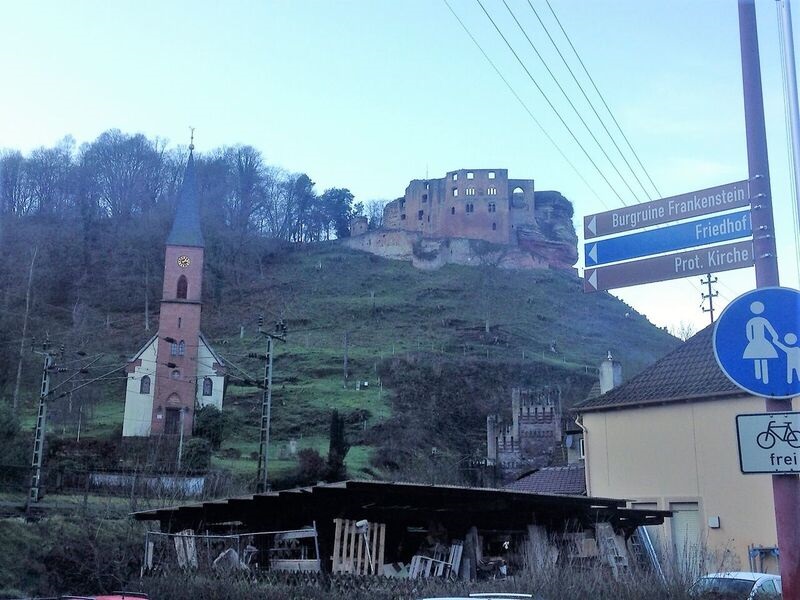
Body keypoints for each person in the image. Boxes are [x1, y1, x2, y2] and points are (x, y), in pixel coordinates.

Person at [743, 301, 779, 384]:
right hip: (759, 341)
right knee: (759, 358)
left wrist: (751, 340)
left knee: (761, 357)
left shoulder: (756, 321)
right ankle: (760, 378)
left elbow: (769, 329)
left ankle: (762, 377)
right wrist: (774, 336)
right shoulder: (756, 321)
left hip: (758, 341)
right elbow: (749, 332)